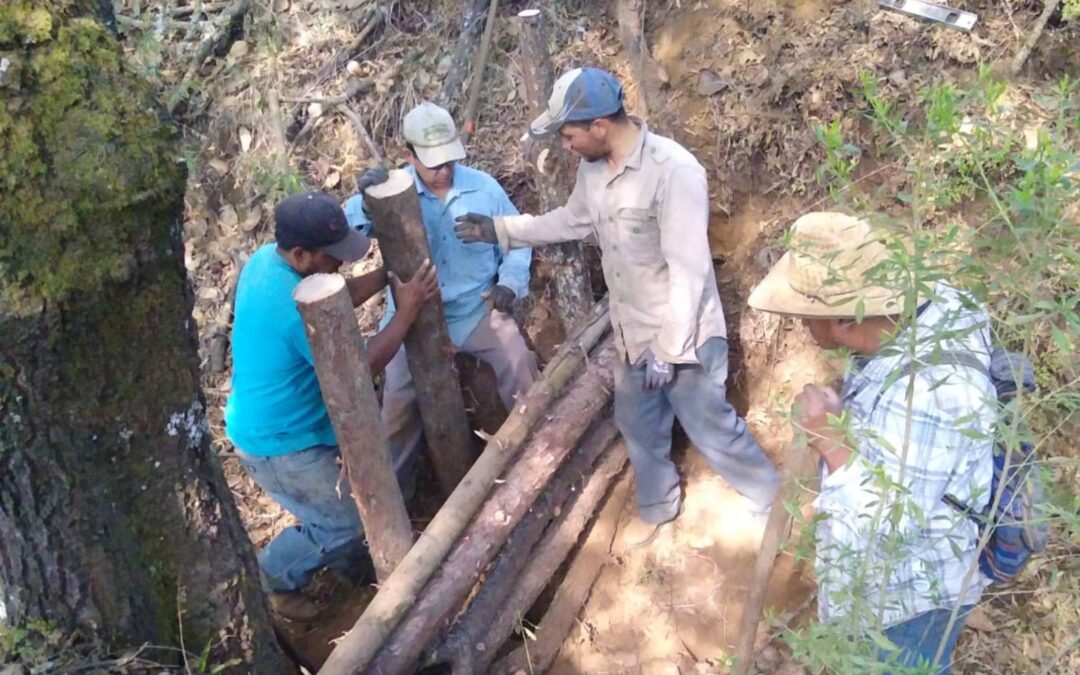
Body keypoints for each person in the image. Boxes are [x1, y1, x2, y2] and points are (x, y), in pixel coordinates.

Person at [454, 67, 781, 548]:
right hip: (633, 331)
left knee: (709, 425)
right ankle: (658, 508)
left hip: (681, 334)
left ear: (599, 127)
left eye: (569, 135)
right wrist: (503, 229)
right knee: (637, 421)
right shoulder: (593, 170)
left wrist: (669, 350)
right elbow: (571, 221)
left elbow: (688, 270)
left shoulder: (674, 171)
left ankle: (772, 501)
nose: (566, 146)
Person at [747, 211, 995, 673]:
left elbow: (891, 527)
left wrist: (830, 440)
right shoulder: (931, 306)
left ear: (844, 320)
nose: (801, 325)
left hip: (905, 605)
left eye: (807, 317)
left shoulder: (933, 392)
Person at [224, 191, 438, 620]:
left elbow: (335, 300)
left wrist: (384, 276)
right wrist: (406, 312)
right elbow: (359, 369)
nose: (341, 264)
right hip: (280, 445)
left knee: (342, 508)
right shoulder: (287, 308)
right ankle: (272, 578)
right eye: (332, 257)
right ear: (301, 253)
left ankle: (349, 567)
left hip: (294, 425)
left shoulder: (270, 261)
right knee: (347, 521)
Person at [345, 102, 539, 490]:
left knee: (519, 365)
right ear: (408, 155)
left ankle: (537, 453)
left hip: (476, 309)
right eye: (433, 163)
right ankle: (392, 497)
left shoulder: (482, 187)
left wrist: (510, 283)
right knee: (397, 407)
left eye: (449, 160)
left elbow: (518, 236)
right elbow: (351, 230)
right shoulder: (392, 190)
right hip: (411, 317)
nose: (444, 171)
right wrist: (367, 199)